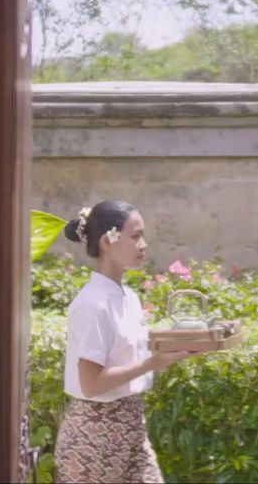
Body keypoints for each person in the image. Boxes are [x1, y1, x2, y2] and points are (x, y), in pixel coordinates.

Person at [53, 200, 193, 483]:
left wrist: (195, 338)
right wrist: (153, 363)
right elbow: (91, 384)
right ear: (108, 241)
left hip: (131, 427)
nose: (143, 244)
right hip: (94, 437)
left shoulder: (128, 296)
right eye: (135, 236)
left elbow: (129, 350)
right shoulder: (93, 303)